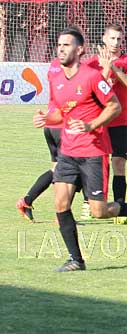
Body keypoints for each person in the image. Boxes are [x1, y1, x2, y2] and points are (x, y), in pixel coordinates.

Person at [33, 27, 127, 272]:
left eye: (67, 45)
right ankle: (76, 260)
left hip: (92, 151)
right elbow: (61, 113)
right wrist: (47, 118)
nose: (61, 49)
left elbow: (114, 107)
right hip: (68, 151)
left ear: (79, 50)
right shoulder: (57, 79)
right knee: (61, 205)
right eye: (59, 44)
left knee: (99, 211)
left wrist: (90, 125)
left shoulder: (91, 76)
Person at [84, 23, 127, 224]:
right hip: (99, 122)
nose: (115, 42)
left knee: (119, 164)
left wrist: (112, 66)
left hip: (120, 122)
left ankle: (120, 207)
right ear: (104, 39)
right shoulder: (91, 63)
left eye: (119, 39)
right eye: (112, 38)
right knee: (96, 165)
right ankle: (88, 204)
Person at [16, 58, 68, 222]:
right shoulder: (72, 67)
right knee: (69, 171)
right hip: (62, 125)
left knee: (57, 169)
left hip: (50, 123)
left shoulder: (55, 64)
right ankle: (62, 215)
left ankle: (27, 201)